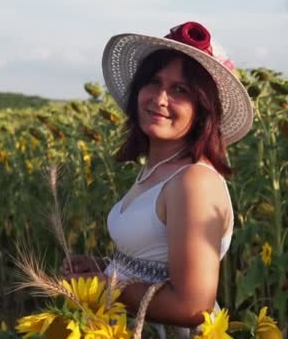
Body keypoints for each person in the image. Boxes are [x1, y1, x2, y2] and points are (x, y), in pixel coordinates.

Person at [62, 21, 253, 337]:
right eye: (153, 82)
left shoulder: (195, 182)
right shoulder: (157, 170)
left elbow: (192, 307)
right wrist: (104, 267)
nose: (160, 98)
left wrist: (103, 288)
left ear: (203, 108)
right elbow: (155, 262)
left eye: (180, 90)